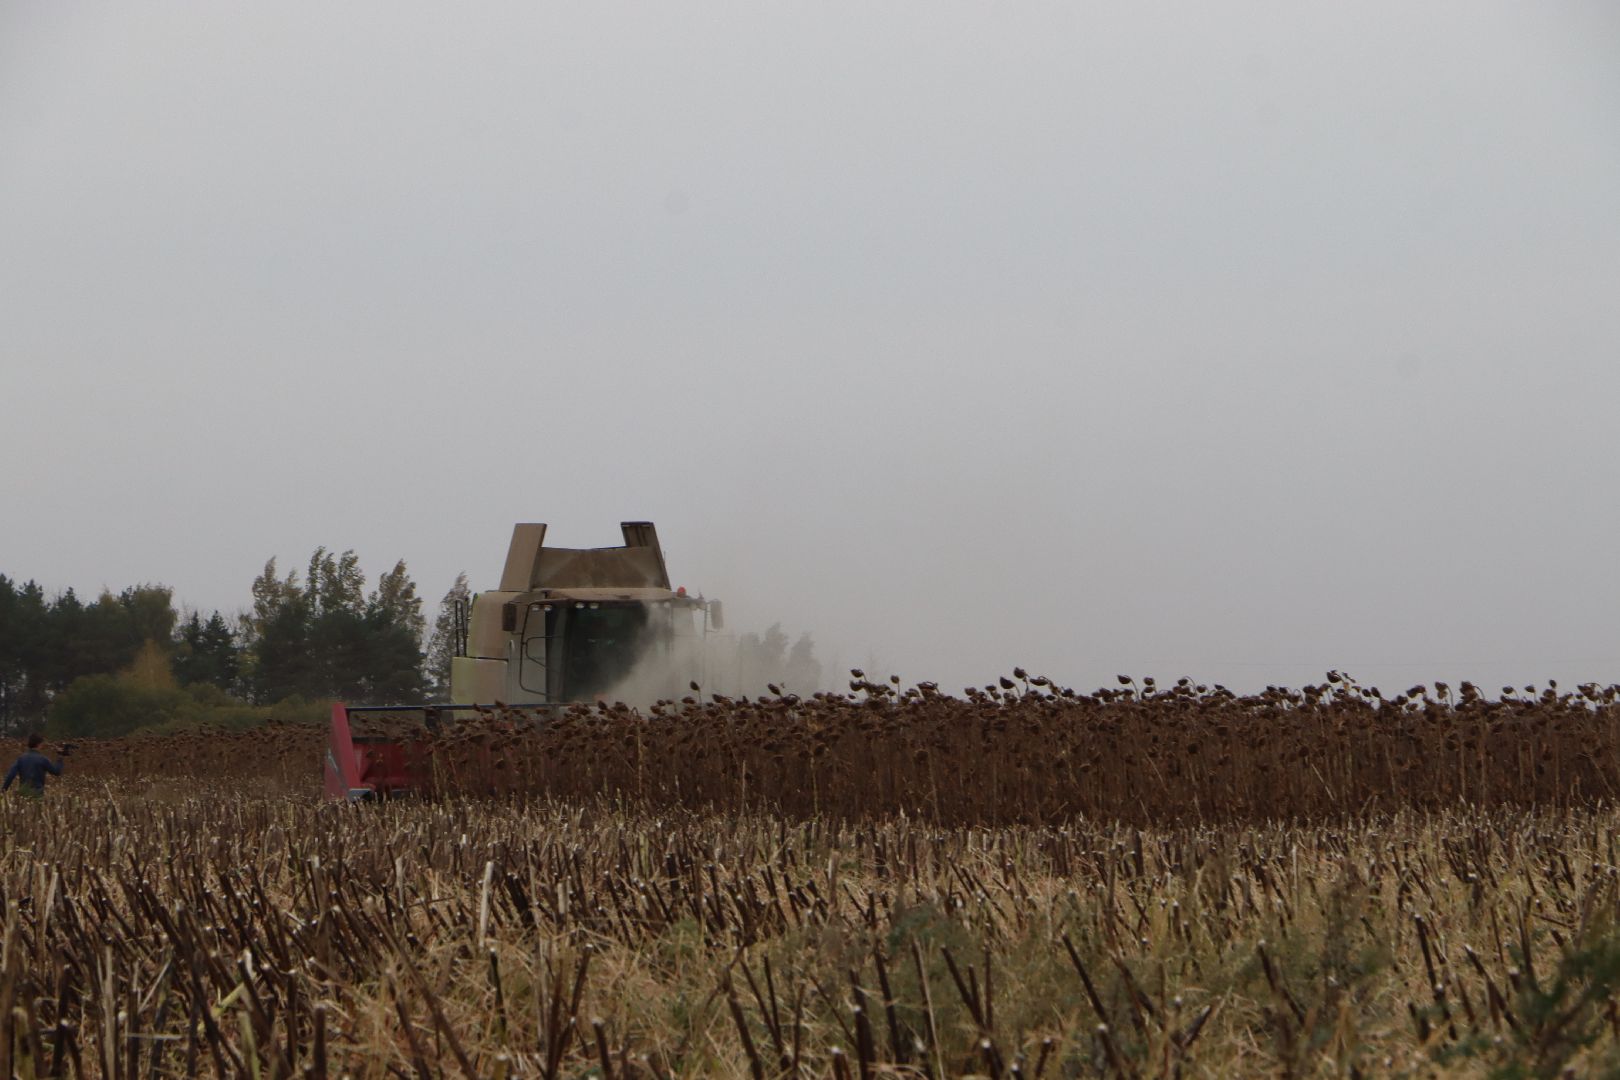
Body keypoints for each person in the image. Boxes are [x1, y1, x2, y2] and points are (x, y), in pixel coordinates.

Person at [3, 733, 64, 799]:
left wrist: (3, 790)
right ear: (38, 744)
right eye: (42, 744)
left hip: (24, 793)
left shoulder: (21, 759)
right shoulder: (43, 759)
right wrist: (60, 757)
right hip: (37, 794)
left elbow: (11, 775)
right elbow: (56, 772)